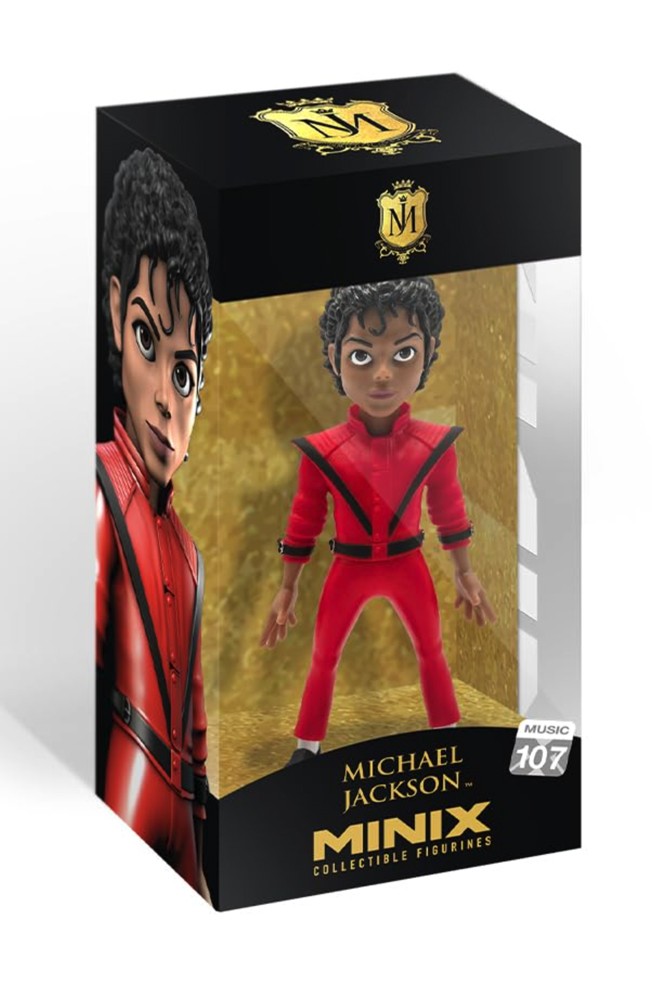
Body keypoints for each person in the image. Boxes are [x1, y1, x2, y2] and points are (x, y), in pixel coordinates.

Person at [260, 277, 496, 765]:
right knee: (324, 655)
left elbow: (448, 508)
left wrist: (465, 571)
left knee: (430, 648)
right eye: (362, 356)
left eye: (404, 354)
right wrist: (288, 586)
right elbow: (305, 519)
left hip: (407, 562)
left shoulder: (433, 444)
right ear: (334, 357)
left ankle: (446, 733)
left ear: (428, 352)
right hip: (349, 566)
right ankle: (307, 748)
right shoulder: (323, 451)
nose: (383, 374)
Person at [96, 148, 213, 898]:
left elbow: (196, 716)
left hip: (183, 807)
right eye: (148, 340)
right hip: (126, 777)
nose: (170, 401)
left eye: (186, 373)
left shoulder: (192, 552)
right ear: (115, 314)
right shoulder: (98, 483)